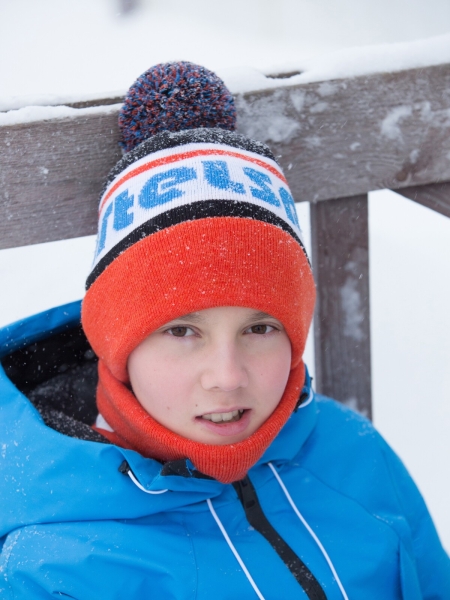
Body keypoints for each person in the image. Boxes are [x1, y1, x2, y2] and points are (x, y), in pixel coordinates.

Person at [0, 61, 449, 600]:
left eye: (259, 327)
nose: (228, 376)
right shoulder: (58, 567)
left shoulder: (352, 453)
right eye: (181, 332)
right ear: (115, 342)